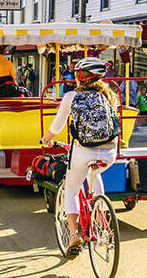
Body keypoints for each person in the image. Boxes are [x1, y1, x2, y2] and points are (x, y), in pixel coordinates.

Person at [40, 58, 120, 260]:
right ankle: (100, 215)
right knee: (96, 172)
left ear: (79, 77)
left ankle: (74, 236)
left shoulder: (71, 96)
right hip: (110, 151)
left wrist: (47, 140)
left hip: (84, 150)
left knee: (72, 190)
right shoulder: (108, 95)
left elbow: (57, 126)